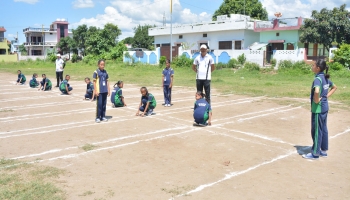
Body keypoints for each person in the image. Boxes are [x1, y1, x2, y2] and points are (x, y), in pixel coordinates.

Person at [302, 59, 337, 160]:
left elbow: (316, 91)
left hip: (318, 109)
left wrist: (316, 100)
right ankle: (323, 150)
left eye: (313, 65)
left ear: (318, 68)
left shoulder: (318, 79)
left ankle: (315, 153)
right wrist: (326, 96)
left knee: (317, 130)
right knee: (324, 129)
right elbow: (334, 87)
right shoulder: (325, 77)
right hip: (325, 108)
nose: (312, 67)